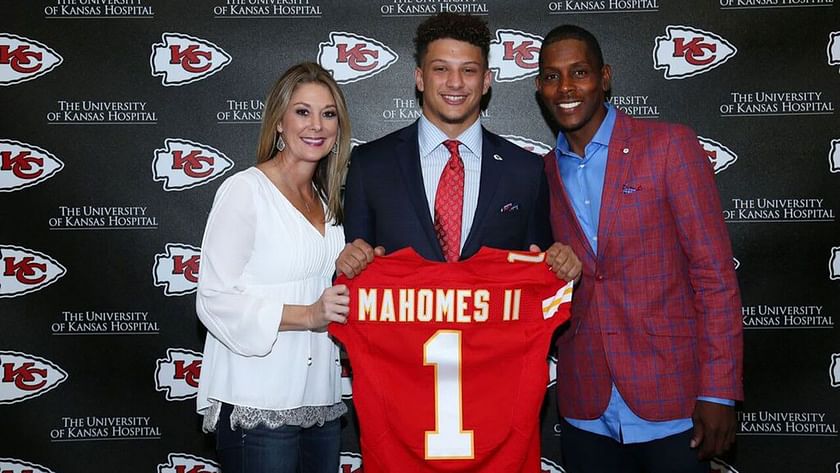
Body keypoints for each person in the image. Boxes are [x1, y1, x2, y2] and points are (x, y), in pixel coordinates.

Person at [535, 25, 743, 473]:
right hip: (585, 406)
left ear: (605, 77)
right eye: (552, 76)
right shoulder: (545, 171)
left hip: (673, 401)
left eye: (579, 72)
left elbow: (714, 276)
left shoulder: (669, 146)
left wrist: (718, 390)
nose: (566, 87)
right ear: (538, 87)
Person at [336, 12, 581, 281]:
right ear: (420, 78)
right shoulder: (370, 163)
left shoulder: (526, 170)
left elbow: (540, 275)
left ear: (486, 80)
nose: (455, 82)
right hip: (402, 324)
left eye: (468, 70)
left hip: (492, 324)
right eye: (441, 69)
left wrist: (559, 266)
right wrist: (347, 265)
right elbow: (351, 275)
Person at [194, 62, 352, 473]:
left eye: (328, 113)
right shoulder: (245, 191)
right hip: (258, 394)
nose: (316, 125)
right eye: (302, 111)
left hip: (319, 397)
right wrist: (309, 315)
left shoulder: (327, 199)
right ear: (279, 122)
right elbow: (213, 300)